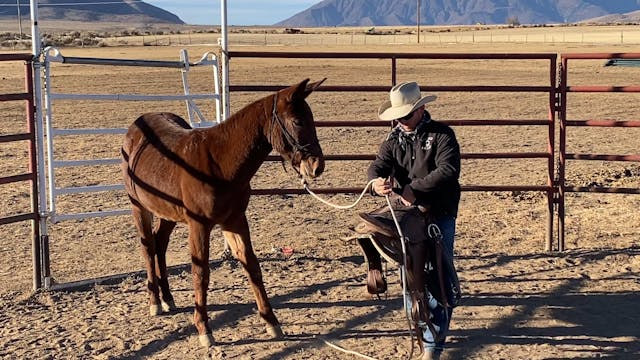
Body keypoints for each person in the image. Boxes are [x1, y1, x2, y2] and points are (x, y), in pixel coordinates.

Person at [367, 81, 461, 360]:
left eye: (405, 115)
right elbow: (377, 165)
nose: (400, 121)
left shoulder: (442, 135)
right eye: (397, 116)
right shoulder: (393, 140)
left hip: (439, 211)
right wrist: (375, 182)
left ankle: (432, 345)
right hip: (407, 215)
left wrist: (415, 188)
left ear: (421, 109)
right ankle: (424, 328)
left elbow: (448, 170)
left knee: (438, 276)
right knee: (411, 274)